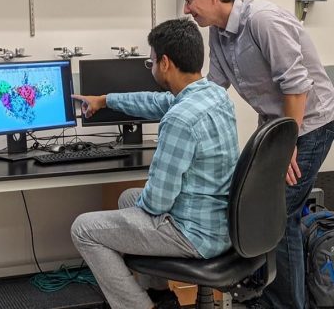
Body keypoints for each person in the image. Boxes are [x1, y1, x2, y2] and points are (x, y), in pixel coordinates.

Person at [180, 0, 334, 309]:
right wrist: (176, 111)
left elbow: (297, 87)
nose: (187, 8)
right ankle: (268, 294)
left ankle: (284, 303)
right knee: (261, 209)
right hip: (277, 125)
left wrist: (287, 144)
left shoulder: (263, 20)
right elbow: (214, 88)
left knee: (278, 214)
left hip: (310, 122)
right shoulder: (218, 33)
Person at [70, 18, 239, 309]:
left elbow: (157, 203)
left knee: (83, 229)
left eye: (150, 62)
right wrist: (105, 100)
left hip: (194, 234)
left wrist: (147, 199)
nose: (151, 68)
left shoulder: (180, 120)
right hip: (221, 222)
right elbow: (153, 102)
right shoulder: (214, 95)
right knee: (127, 197)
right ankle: (161, 295)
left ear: (165, 63)